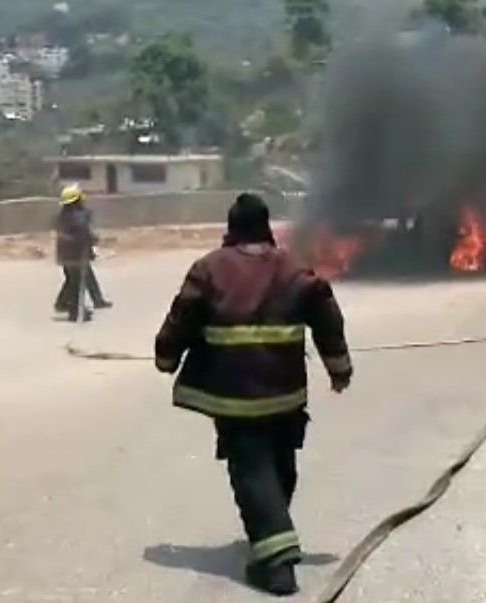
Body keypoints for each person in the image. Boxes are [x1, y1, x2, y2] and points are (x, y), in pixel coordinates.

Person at [154, 193, 352, 596]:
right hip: (286, 395)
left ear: (232, 229)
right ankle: (273, 531)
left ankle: (277, 564)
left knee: (252, 471)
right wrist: (339, 368)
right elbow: (326, 315)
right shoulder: (295, 269)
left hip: (236, 397)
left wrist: (166, 355)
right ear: (266, 229)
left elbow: (183, 316)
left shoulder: (209, 269)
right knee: (280, 465)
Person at [54, 185, 112, 321]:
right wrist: (93, 241)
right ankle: (75, 311)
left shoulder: (62, 216)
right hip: (76, 254)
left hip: (65, 255)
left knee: (74, 279)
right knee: (76, 282)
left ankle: (65, 304)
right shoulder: (78, 216)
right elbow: (83, 234)